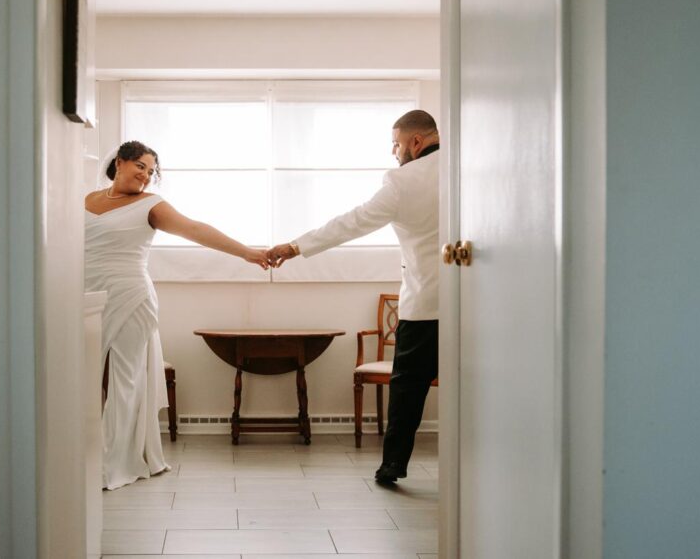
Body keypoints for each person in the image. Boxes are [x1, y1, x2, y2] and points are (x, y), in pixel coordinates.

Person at [266, 110, 440, 485]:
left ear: (415, 142)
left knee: (407, 389)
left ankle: (393, 465)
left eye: (395, 144)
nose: (393, 152)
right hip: (476, 305)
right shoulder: (473, 169)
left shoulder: (402, 180)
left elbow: (353, 222)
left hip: (425, 304)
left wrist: (295, 247)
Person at [85, 140, 269, 489]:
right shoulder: (85, 200)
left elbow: (195, 229)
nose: (145, 176)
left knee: (126, 380)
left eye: (151, 171)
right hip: (87, 296)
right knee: (81, 376)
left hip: (131, 296)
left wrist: (246, 253)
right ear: (120, 162)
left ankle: (115, 462)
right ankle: (83, 455)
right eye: (140, 166)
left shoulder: (150, 205)